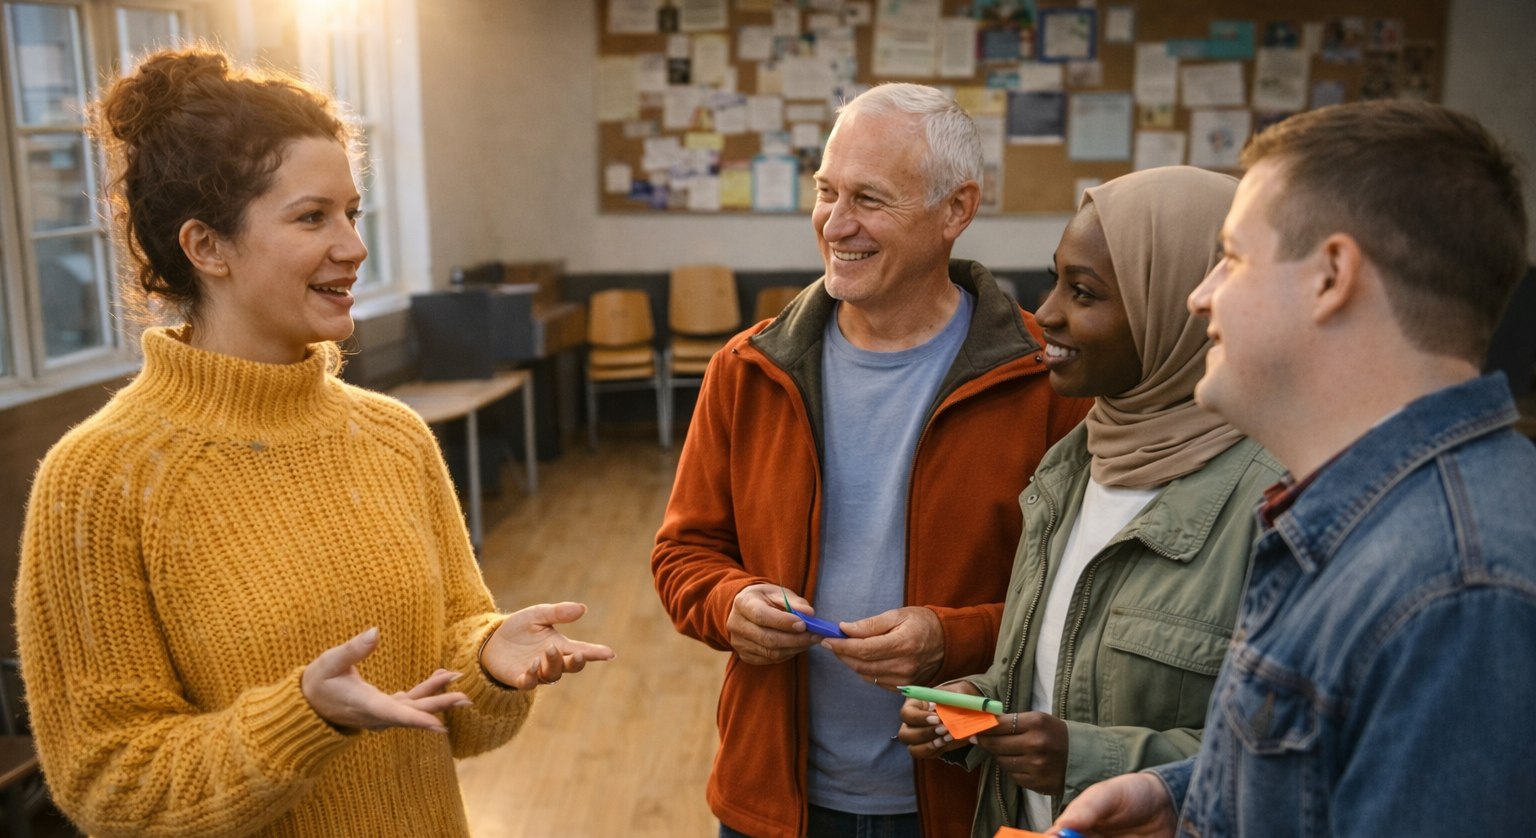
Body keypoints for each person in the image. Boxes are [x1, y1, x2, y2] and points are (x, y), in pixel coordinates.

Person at [15, 48, 612, 837]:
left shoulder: (394, 438)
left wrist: (492, 661)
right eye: (311, 217)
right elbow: (105, 786)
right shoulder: (99, 480)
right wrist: (302, 718)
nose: (353, 246)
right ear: (207, 247)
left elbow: (457, 717)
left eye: (352, 213)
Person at [1052, 101, 1536, 838]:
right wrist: (1180, 794)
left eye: (1234, 258)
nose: (1199, 294)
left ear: (1331, 275)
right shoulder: (1362, 516)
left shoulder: (1457, 591)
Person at [652, 83, 1090, 838]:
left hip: (963, 796)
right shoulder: (747, 369)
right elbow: (683, 556)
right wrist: (731, 605)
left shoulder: (1046, 381)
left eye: (870, 199)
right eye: (826, 191)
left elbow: (1081, 602)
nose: (836, 223)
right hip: (775, 799)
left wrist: (951, 638)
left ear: (956, 210)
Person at [895, 167, 1282, 836]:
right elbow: (1054, 671)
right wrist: (976, 703)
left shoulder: (1274, 502)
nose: (1045, 313)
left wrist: (1086, 759)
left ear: (1183, 308)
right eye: (1055, 281)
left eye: (1083, 292)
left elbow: (1282, 760)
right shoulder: (1074, 464)